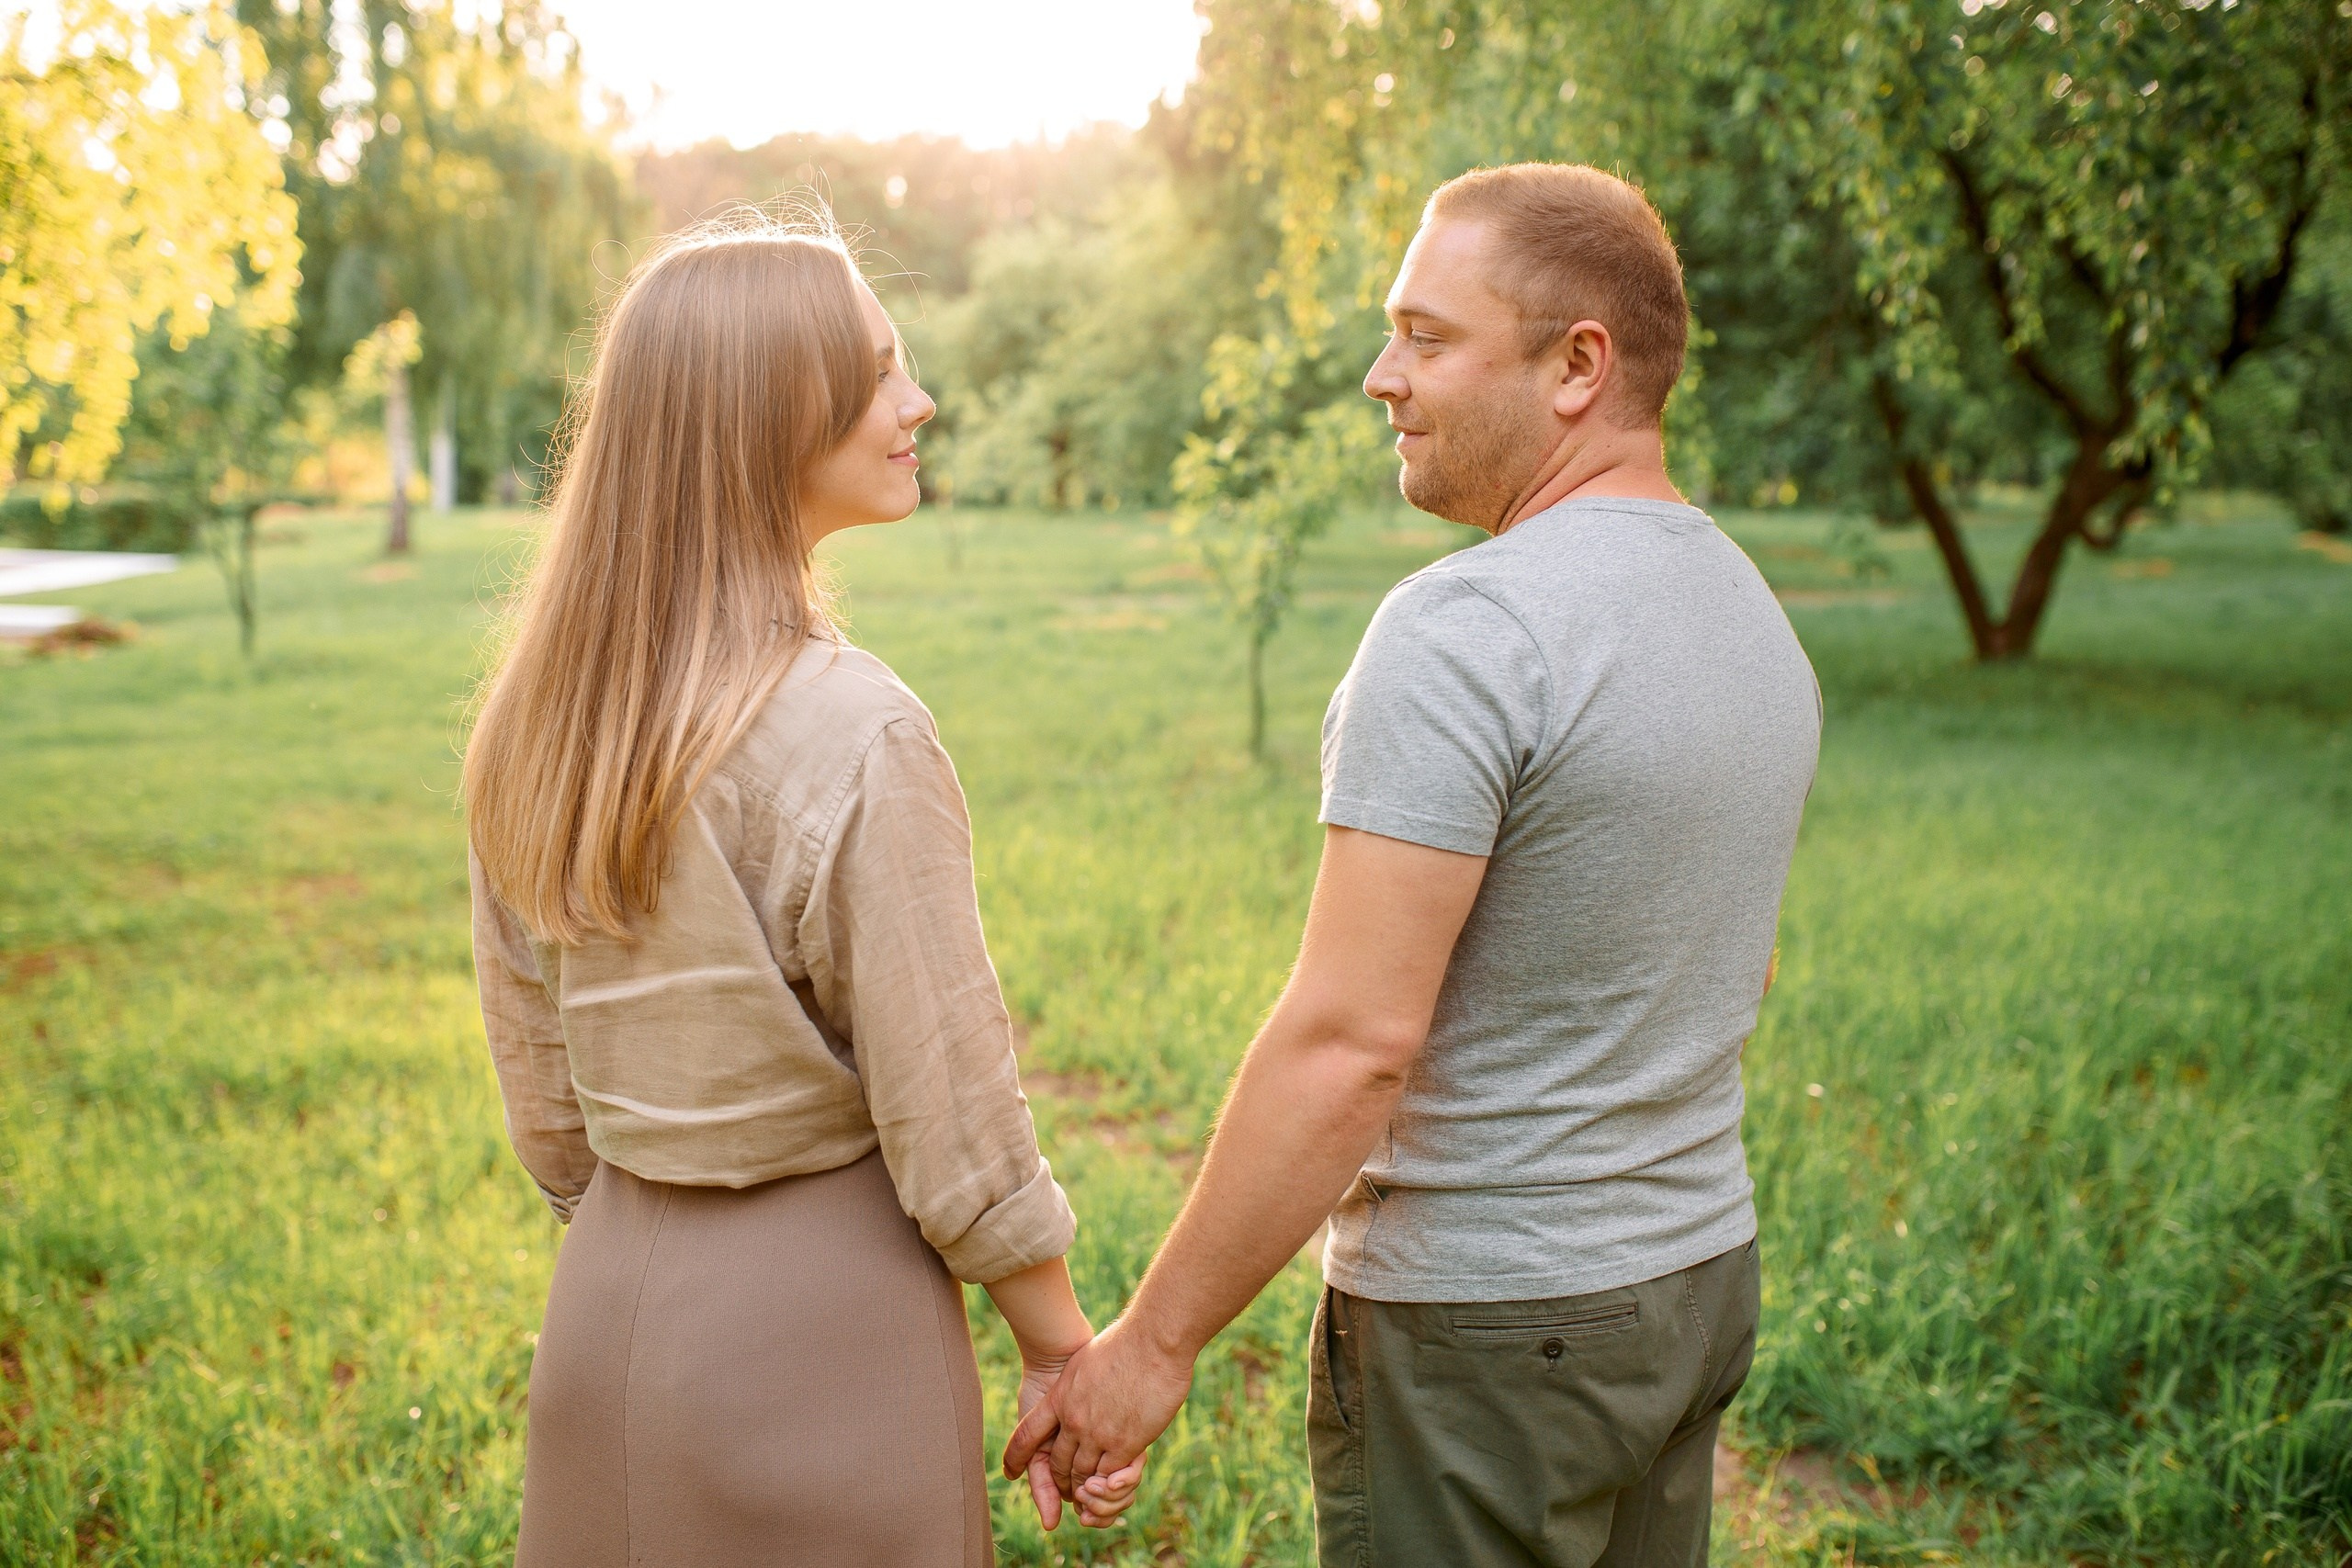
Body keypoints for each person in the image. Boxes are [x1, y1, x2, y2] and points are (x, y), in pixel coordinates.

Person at [1009, 163, 1823, 1567]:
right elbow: (1728, 961)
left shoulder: (1467, 631)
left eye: (1427, 336)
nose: (1383, 376)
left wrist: (1152, 1345)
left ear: (1578, 366)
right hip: (1693, 1280)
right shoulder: (1744, 605)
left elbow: (1352, 1046)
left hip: (1493, 1336)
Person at [462, 209, 1135, 1567]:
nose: (919, 401)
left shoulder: (538, 717)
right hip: (824, 1332)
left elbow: (545, 1101)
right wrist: (1065, 1352)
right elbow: (954, 1112)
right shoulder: (857, 729)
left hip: (605, 1310)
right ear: (770, 416)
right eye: (881, 372)